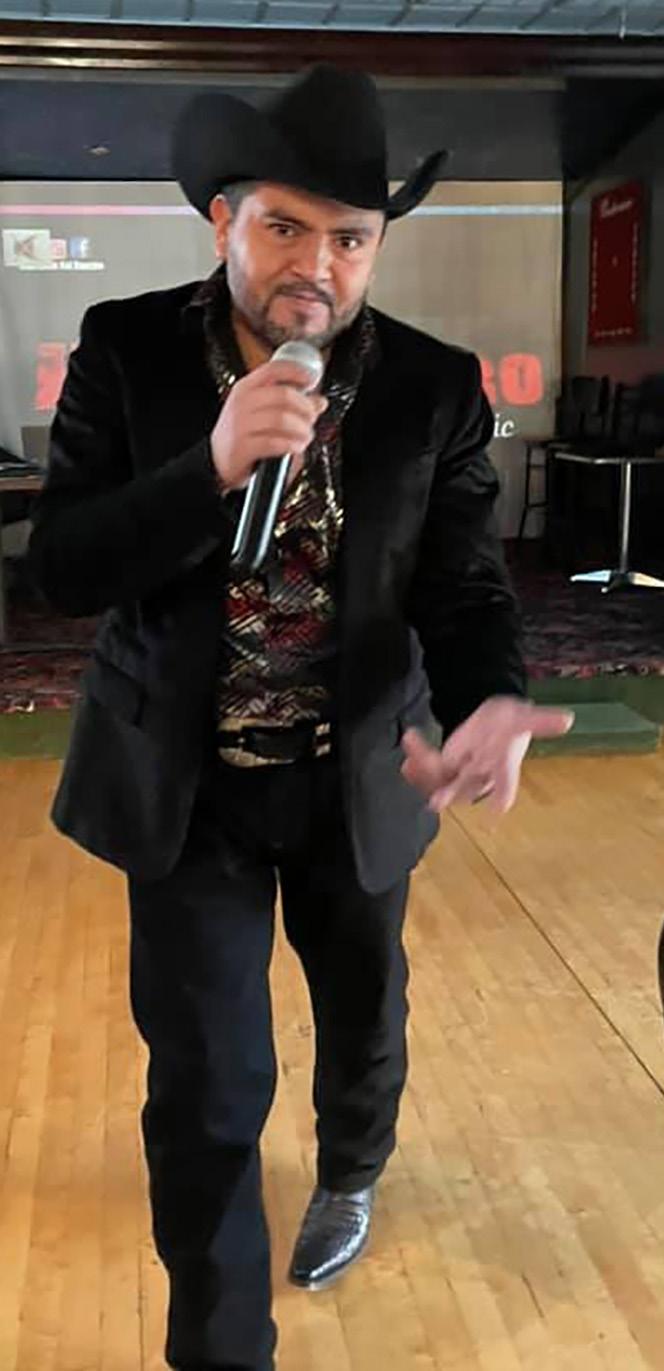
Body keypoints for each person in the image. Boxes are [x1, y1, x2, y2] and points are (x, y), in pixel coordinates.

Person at [28, 62, 572, 1371]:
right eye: (284, 225)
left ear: (377, 246)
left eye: (349, 238)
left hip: (358, 770)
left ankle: (352, 1167)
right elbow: (64, 571)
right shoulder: (124, 351)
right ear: (223, 218)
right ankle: (221, 1347)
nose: (315, 267)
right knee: (207, 1084)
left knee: (363, 1017)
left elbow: (463, 584)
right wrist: (211, 467)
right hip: (188, 783)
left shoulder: (433, 388)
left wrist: (494, 698)